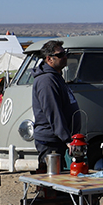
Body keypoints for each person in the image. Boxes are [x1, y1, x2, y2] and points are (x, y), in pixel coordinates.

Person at [31, 40, 80, 170]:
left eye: (65, 53)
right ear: (49, 59)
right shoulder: (46, 80)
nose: (65, 57)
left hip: (58, 140)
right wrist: (67, 139)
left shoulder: (56, 77)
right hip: (50, 141)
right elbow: (53, 112)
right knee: (51, 180)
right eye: (60, 55)